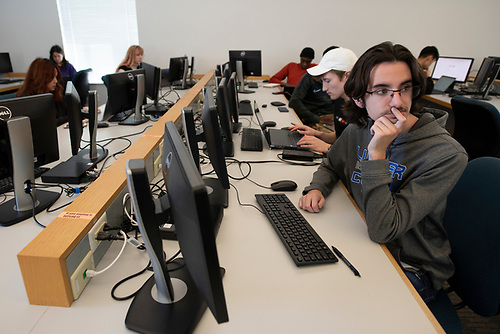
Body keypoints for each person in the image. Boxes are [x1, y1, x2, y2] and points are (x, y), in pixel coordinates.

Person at [299, 41, 468, 303]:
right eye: (382, 91)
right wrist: (317, 186)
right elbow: (332, 163)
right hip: (361, 236)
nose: (398, 102)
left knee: (328, 300)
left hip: (409, 265)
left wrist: (377, 153)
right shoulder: (360, 128)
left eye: (404, 88)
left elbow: (383, 230)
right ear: (358, 98)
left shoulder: (445, 154)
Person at [289, 47, 358, 153]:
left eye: (328, 81)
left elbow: (358, 155)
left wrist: (327, 148)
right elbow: (339, 138)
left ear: (347, 76)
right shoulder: (339, 102)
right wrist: (316, 133)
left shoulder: (365, 109)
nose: (324, 88)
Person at [289, 46, 338, 127]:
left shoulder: (343, 79)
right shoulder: (310, 77)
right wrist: (316, 119)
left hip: (335, 119)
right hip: (317, 119)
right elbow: (294, 101)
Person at [16, 58, 67, 125]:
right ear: (41, 78)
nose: (56, 81)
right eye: (52, 77)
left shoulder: (53, 92)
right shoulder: (28, 101)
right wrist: (69, 118)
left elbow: (66, 110)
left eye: (56, 77)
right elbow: (49, 124)